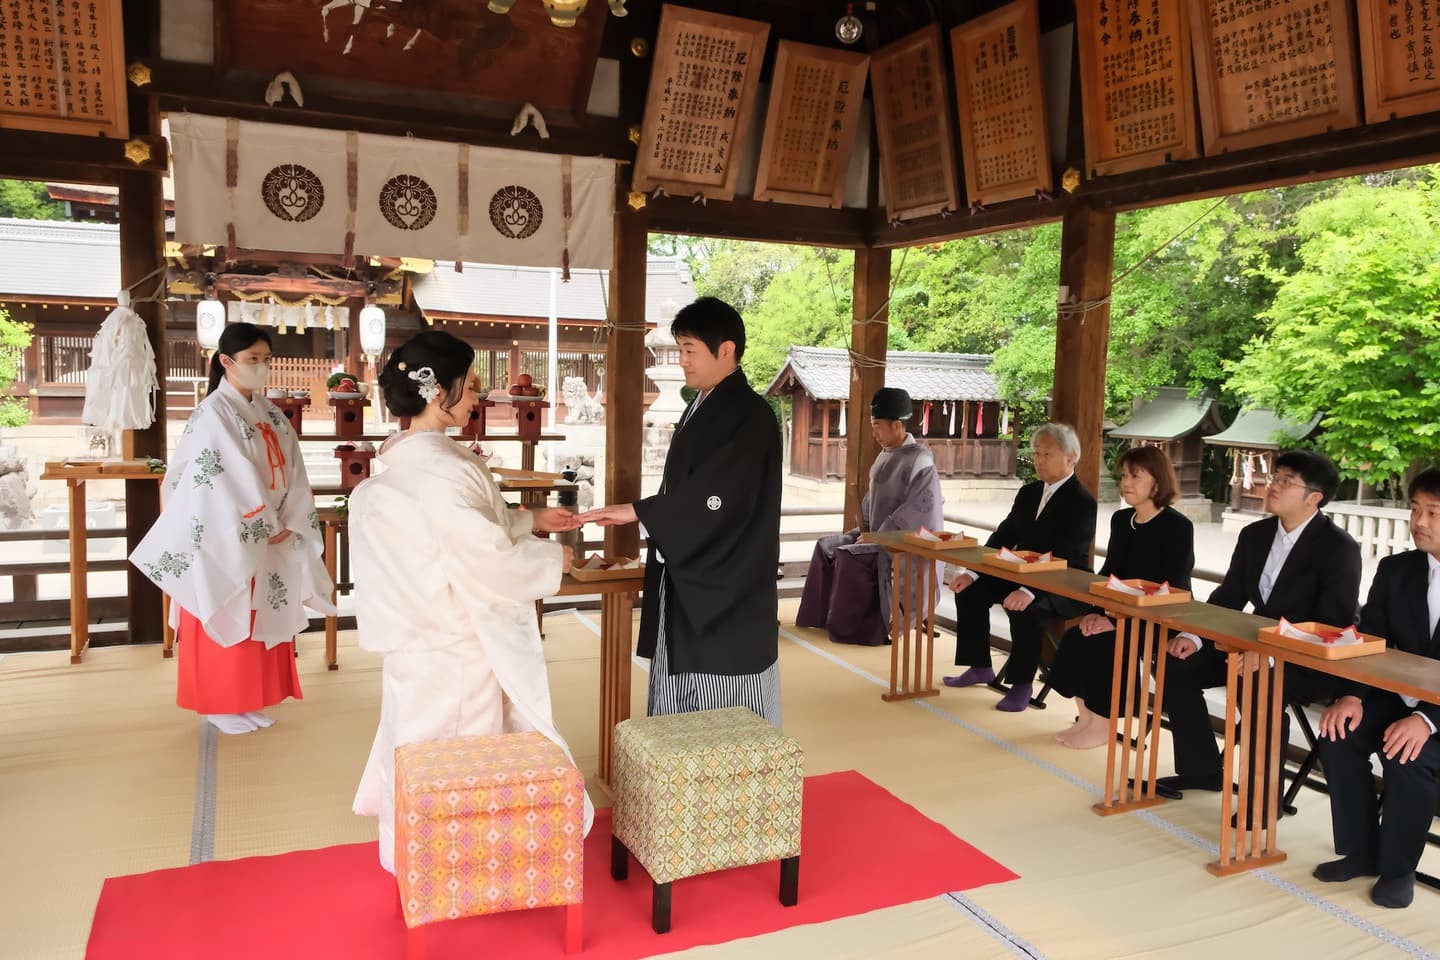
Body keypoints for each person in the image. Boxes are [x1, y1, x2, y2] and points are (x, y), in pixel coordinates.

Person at [348, 330, 591, 874]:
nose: (479, 396)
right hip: (458, 645)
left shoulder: (413, 462)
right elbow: (489, 560)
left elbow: (461, 532)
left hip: (416, 643)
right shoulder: (449, 470)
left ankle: (415, 862)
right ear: (439, 392)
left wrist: (529, 519)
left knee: (414, 745)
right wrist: (556, 560)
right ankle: (457, 871)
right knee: (461, 755)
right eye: (471, 385)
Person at [581, 297, 784, 724]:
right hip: (691, 571)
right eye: (681, 350)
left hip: (726, 581)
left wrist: (641, 511)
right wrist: (648, 513)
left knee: (725, 695)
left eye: (690, 350)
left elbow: (718, 496)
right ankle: (677, 780)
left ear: (726, 349)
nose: (683, 362)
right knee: (679, 679)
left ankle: (729, 783)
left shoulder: (750, 416)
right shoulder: (701, 405)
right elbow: (693, 490)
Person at [131, 322, 334, 735]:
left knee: (260, 611)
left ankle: (245, 700)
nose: (261, 368)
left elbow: (294, 471)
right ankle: (218, 703)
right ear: (226, 362)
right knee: (228, 599)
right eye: (252, 360)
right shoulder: (212, 414)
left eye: (266, 360)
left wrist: (289, 518)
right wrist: (263, 521)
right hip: (226, 531)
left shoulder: (271, 413)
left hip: (269, 527)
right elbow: (221, 478)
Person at [1157, 449, 1361, 803]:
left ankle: (1263, 800)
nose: (1274, 486)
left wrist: (1267, 656)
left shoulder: (1338, 548)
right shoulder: (1255, 534)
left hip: (1307, 658)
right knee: (1178, 663)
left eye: (1286, 481)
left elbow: (1331, 624)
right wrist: (1193, 636)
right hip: (1251, 646)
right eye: (1275, 478)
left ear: (1314, 498)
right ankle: (1202, 770)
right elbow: (1230, 595)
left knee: (1257, 681)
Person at [1313, 467, 1440, 909]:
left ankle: (1397, 867)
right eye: (1416, 509)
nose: (1419, 521)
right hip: (1393, 696)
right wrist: (1351, 695)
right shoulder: (1396, 569)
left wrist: (1427, 720)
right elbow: (1368, 641)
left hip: (1436, 715)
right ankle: (1363, 850)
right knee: (1338, 732)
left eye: (1434, 512)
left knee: (1408, 755)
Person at [1046, 446, 1193, 748]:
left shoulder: (1177, 527)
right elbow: (1109, 574)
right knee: (1078, 637)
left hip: (1157, 618)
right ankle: (1085, 719)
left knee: (1107, 643)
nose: (1126, 482)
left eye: (1135, 476)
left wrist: (1116, 622)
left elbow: (1175, 588)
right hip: (1116, 613)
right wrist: (1095, 612)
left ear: (1157, 481)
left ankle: (1103, 725)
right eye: (1124, 475)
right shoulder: (1121, 520)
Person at [943, 423, 1097, 711]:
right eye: (1036, 453)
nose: (1039, 460)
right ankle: (979, 666)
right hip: (1021, 574)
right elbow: (1004, 536)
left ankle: (1022, 685)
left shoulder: (1082, 501)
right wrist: (973, 572)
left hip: (1062, 583)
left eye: (1047, 454)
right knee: (969, 592)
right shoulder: (1028, 493)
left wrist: (1029, 589)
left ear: (1071, 457)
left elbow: (1067, 553)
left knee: (1026, 608)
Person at [795, 387, 944, 646]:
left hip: (900, 539)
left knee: (849, 556)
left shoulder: (920, 458)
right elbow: (871, 500)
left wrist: (880, 536)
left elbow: (920, 508)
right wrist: (861, 528)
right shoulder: (883, 456)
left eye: (877, 426)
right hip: (876, 533)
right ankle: (821, 616)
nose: (874, 433)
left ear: (896, 425)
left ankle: (860, 628)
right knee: (826, 547)